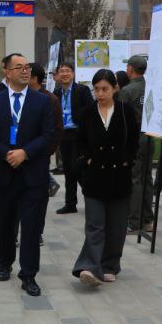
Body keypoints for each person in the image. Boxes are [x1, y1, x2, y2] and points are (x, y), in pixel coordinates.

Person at [0, 53, 55, 297]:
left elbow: (48, 135)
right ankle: (5, 262)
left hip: (33, 175)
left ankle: (29, 274)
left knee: (32, 227)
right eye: (19, 67)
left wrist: (25, 152)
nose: (25, 71)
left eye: (28, 67)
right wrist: (7, 154)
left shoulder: (42, 101)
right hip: (3, 173)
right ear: (7, 72)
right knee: (5, 223)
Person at [71, 69, 140, 287]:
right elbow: (79, 142)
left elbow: (134, 142)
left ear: (114, 88)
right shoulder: (87, 112)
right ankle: (90, 267)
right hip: (95, 178)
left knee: (117, 226)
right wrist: (87, 161)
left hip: (119, 176)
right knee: (95, 224)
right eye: (97, 89)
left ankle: (110, 265)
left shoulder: (126, 111)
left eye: (105, 89)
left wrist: (128, 160)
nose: (100, 94)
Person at [51, 61, 94, 215]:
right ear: (58, 75)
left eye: (68, 70)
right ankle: (70, 204)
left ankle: (93, 198)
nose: (64, 73)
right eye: (62, 71)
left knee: (79, 168)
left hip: (78, 133)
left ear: (73, 73)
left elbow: (90, 112)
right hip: (64, 134)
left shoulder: (82, 90)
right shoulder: (56, 92)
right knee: (68, 170)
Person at [121, 55, 153, 234]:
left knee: (135, 179)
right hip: (149, 135)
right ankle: (147, 219)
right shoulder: (150, 88)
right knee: (147, 178)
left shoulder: (127, 91)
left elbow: (120, 118)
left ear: (131, 69)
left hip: (134, 139)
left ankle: (133, 221)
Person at [29, 63, 64, 202]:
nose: (22, 74)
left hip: (41, 151)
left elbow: (57, 128)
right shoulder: (21, 96)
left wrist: (49, 150)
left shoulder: (50, 99)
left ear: (34, 78)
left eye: (26, 72)